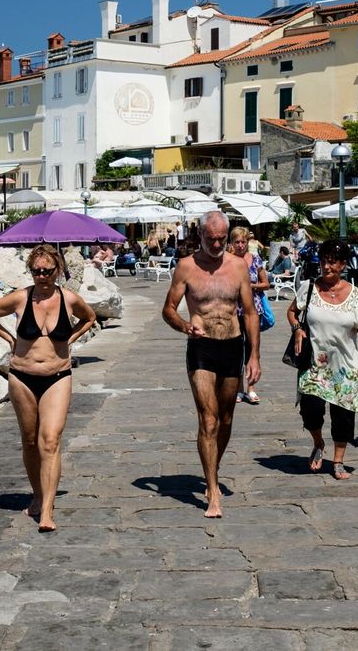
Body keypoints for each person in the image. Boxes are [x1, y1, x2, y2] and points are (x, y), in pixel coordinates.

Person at [0, 244, 98, 531]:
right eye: (36, 271)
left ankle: (46, 510)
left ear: (57, 271)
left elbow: (90, 317)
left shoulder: (68, 299)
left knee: (51, 440)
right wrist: (9, 339)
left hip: (58, 376)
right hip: (22, 376)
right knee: (30, 441)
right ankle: (37, 495)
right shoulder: (21, 298)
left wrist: (71, 339)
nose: (41, 277)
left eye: (47, 271)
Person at [161, 210, 260, 517]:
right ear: (200, 235)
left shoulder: (238, 267)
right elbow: (168, 310)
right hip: (201, 347)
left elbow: (250, 312)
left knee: (227, 419)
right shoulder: (187, 267)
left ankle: (212, 467)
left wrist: (254, 355)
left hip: (233, 345)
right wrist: (184, 326)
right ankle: (213, 491)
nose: (217, 245)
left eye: (221, 239)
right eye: (211, 239)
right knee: (209, 420)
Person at [288, 238, 358, 480]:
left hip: (345, 366)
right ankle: (318, 443)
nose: (327, 267)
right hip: (314, 365)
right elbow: (291, 311)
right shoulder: (308, 288)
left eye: (333, 263)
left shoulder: (354, 294)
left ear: (343, 265)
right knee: (311, 411)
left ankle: (338, 460)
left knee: (343, 416)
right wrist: (298, 328)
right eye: (324, 262)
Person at [228, 226, 271, 405]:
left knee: (253, 348)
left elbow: (266, 284)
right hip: (233, 310)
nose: (240, 245)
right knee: (235, 350)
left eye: (243, 241)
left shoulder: (255, 259)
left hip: (253, 309)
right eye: (236, 242)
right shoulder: (227, 261)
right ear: (231, 243)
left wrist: (249, 286)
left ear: (247, 242)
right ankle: (238, 389)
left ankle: (251, 388)